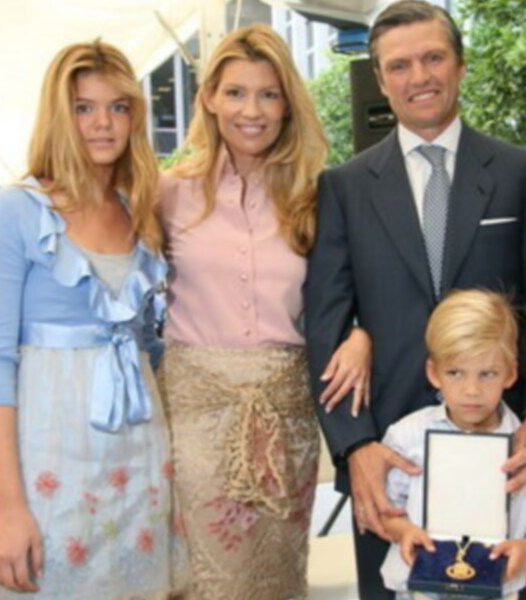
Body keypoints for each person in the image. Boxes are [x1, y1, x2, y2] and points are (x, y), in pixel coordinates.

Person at [305, 1, 526, 598]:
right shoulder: (344, 187)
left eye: (433, 58)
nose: (419, 77)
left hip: (506, 457)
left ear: (460, 64)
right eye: (399, 65)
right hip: (391, 463)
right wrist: (355, 446)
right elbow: (325, 325)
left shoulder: (524, 171)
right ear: (379, 79)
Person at [157, 24, 372, 600]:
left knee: (278, 577)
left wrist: (361, 333)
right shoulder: (166, 191)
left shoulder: (317, 193)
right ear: (208, 98)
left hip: (286, 419)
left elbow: (355, 291)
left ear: (287, 105)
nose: (251, 110)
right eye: (235, 92)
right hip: (196, 418)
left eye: (268, 94)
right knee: (205, 578)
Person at [0, 41, 184, 599]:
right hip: (49, 460)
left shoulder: (139, 209)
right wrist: (11, 507)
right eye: (84, 108)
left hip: (140, 459)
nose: (102, 124)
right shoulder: (16, 212)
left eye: (118, 106)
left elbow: (149, 349)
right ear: (59, 115)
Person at [380, 289, 526, 600]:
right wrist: (404, 532)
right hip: (418, 590)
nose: (472, 390)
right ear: (433, 373)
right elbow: (386, 510)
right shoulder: (406, 436)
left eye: (488, 374)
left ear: (510, 373)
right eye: (455, 373)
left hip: (497, 591)